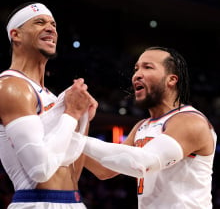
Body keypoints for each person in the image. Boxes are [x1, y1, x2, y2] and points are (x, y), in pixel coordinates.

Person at [74, 46, 217, 208]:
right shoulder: (142, 126)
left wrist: (72, 138)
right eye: (136, 69)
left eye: (148, 67)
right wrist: (80, 121)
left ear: (171, 80)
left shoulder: (191, 121)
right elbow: (104, 170)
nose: (137, 74)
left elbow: (141, 162)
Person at [0, 2, 97, 209]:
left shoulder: (52, 97)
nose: (51, 28)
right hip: (34, 202)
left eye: (53, 24)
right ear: (16, 35)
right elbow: (40, 170)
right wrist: (72, 113)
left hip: (73, 202)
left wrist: (82, 120)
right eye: (39, 22)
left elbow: (72, 175)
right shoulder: (10, 87)